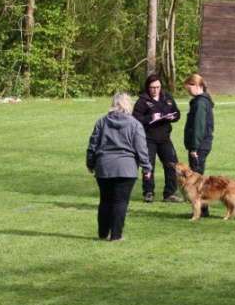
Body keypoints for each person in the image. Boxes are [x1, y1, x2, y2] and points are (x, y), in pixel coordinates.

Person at [86, 93, 152, 242]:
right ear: (129, 104)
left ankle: (103, 234)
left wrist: (90, 163)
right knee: (120, 202)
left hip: (104, 167)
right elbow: (141, 148)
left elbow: (93, 145)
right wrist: (146, 168)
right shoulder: (135, 124)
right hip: (126, 169)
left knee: (105, 201)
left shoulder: (102, 122)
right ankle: (116, 235)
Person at [132, 75, 184, 203]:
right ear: (148, 87)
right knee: (149, 165)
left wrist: (173, 117)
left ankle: (170, 194)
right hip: (148, 138)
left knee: (172, 165)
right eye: (152, 87)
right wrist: (151, 118)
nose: (155, 90)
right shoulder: (142, 101)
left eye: (158, 87)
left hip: (165, 138)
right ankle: (148, 192)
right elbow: (135, 118)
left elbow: (177, 113)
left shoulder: (167, 98)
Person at [183, 73, 215, 218]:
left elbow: (198, 127)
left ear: (197, 85)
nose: (188, 91)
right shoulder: (201, 101)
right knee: (200, 178)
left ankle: (199, 212)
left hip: (199, 145)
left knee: (195, 181)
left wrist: (194, 148)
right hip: (203, 144)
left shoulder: (200, 103)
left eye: (189, 88)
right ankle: (203, 210)